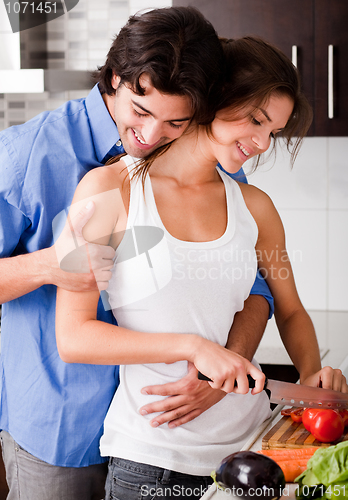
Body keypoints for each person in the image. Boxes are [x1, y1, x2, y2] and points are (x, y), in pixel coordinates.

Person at [55, 36, 347, 500]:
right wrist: (194, 348)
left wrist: (311, 371)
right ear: (213, 96)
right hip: (152, 462)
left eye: (272, 132)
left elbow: (289, 309)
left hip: (252, 452)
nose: (262, 142)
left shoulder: (256, 207)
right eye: (255, 120)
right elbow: (73, 336)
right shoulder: (106, 190)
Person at [0, 7, 275, 499]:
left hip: (171, 433)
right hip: (64, 432)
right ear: (113, 78)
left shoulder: (213, 170)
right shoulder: (27, 154)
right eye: (140, 111)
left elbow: (253, 285)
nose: (150, 136)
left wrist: (225, 365)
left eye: (175, 122)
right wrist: (51, 265)